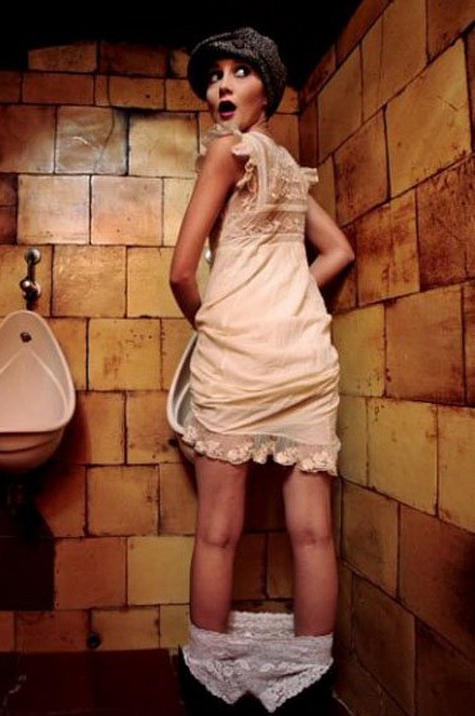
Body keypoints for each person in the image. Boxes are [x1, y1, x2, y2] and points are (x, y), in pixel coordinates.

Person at [169, 26, 355, 715]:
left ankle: (210, 684)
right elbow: (339, 252)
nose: (222, 84)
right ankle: (308, 681)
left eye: (239, 72)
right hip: (305, 359)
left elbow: (181, 272)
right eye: (215, 75)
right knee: (314, 533)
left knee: (219, 531)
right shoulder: (289, 173)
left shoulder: (227, 151)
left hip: (238, 361)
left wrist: (217, 322)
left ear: (267, 93)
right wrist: (291, 298)